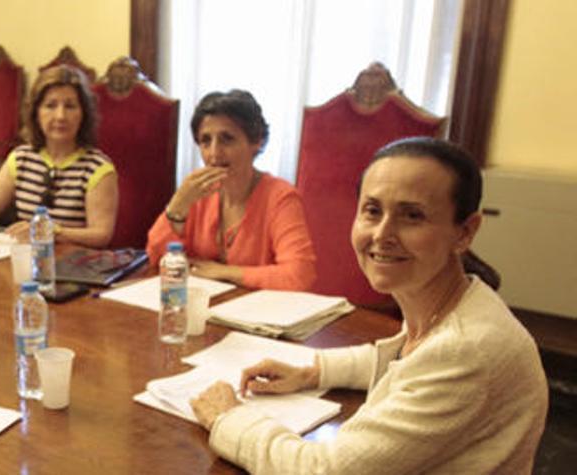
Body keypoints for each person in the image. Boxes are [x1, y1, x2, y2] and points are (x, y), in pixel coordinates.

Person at [189, 137, 548, 474]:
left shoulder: (466, 351)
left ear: (465, 232)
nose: (382, 235)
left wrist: (228, 418)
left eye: (412, 216)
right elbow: (406, 359)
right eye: (373, 211)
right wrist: (312, 372)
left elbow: (321, 469)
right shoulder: (456, 300)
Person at [145, 90, 315, 290]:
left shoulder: (281, 197)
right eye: (205, 141)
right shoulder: (197, 192)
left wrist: (225, 272)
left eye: (227, 139)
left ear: (256, 141)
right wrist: (177, 206)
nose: (214, 153)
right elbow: (157, 259)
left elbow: (299, 275)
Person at [0, 65, 119, 248]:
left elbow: (101, 234)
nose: (60, 116)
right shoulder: (21, 158)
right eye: (50, 106)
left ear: (83, 114)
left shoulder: (98, 168)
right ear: (36, 113)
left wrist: (51, 231)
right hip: (26, 261)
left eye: (70, 106)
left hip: (74, 267)